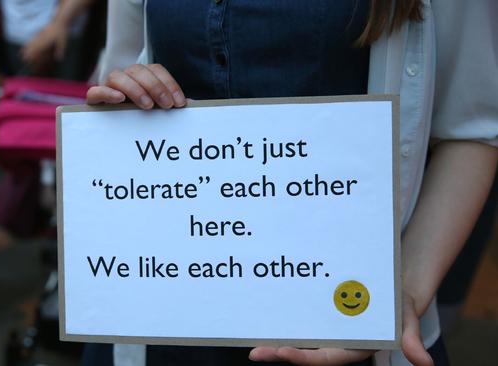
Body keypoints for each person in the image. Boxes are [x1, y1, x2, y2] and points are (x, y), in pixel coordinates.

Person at [85, 0, 498, 365]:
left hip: (345, 321)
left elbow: (471, 129)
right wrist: (127, 94)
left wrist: (405, 289)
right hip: (162, 310)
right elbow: (117, 80)